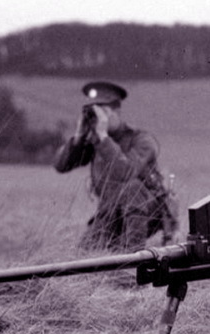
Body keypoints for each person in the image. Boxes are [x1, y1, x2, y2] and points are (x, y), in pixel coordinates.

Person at [53, 81, 177, 252]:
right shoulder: (94, 141)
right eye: (93, 114)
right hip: (110, 212)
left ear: (117, 111)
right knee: (83, 257)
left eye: (101, 113)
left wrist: (104, 138)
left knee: (132, 189)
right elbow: (60, 165)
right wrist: (79, 136)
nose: (97, 120)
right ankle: (119, 254)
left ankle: (134, 261)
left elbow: (127, 173)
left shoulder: (141, 140)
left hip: (146, 212)